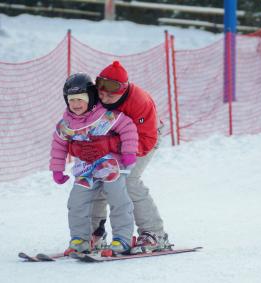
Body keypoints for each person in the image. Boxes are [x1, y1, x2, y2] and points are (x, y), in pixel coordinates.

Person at [69, 61, 171, 253]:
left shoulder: (140, 102)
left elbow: (147, 139)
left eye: (111, 95)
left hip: (142, 139)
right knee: (96, 178)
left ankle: (153, 234)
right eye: (102, 93)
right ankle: (95, 234)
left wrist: (110, 145)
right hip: (107, 138)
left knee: (128, 180)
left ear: (123, 90)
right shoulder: (95, 96)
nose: (105, 98)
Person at [49, 73, 139, 255]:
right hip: (85, 169)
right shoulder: (66, 124)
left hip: (109, 166)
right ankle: (80, 239)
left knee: (117, 198)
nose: (75, 104)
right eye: (71, 100)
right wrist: (57, 170)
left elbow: (128, 127)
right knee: (76, 202)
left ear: (91, 97)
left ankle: (123, 237)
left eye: (80, 99)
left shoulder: (106, 117)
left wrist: (129, 151)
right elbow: (58, 146)